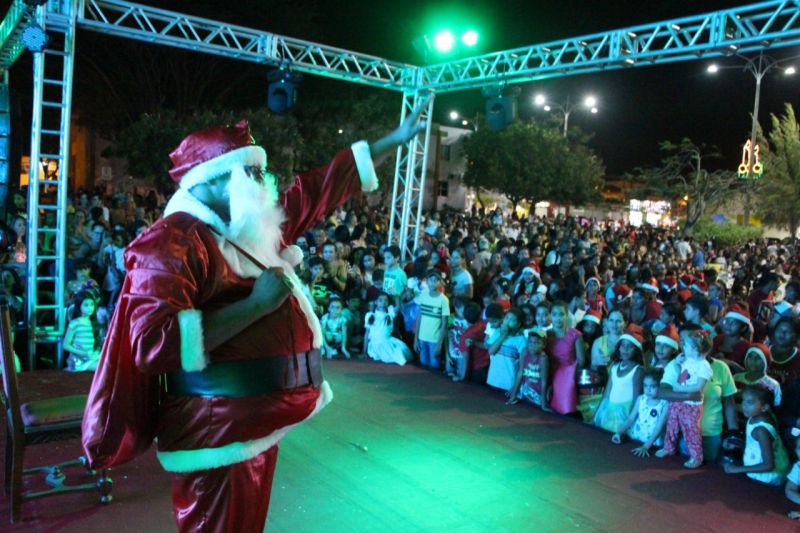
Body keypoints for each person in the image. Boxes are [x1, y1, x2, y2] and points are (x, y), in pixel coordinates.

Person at [82, 106, 428, 531]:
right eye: (249, 173)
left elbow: (317, 190)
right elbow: (155, 344)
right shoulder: (171, 242)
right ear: (210, 180)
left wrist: (388, 143)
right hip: (217, 431)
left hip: (254, 423)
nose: (262, 184)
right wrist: (256, 306)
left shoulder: (246, 226)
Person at [657, 329, 714, 469]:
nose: (683, 347)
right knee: (672, 423)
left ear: (695, 349)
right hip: (679, 400)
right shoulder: (687, 360)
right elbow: (681, 378)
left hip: (691, 404)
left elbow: (698, 387)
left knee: (691, 429)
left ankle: (696, 456)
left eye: (686, 345)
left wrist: (680, 389)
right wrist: (677, 364)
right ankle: (668, 447)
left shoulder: (704, 366)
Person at [724, 386, 790, 486]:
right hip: (763, 469)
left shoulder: (761, 430)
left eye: (750, 402)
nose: (744, 406)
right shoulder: (756, 417)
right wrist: (736, 442)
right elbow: (756, 445)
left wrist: (737, 469)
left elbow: (768, 465)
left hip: (768, 478)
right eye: (743, 401)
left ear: (764, 407)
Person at [594, 326, 644, 433]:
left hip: (625, 412)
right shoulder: (615, 367)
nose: (625, 350)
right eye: (623, 346)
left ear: (636, 350)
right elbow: (606, 394)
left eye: (630, 347)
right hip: (610, 410)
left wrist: (631, 419)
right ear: (619, 347)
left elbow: (637, 398)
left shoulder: (637, 370)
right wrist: (598, 412)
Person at [612, 368, 669, 457]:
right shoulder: (641, 399)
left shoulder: (664, 404)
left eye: (653, 386)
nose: (648, 390)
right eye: (645, 386)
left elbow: (659, 427)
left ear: (660, 386)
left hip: (652, 444)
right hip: (635, 438)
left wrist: (646, 446)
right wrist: (619, 432)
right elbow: (631, 419)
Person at [547, 301, 585, 415]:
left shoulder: (575, 334)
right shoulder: (546, 335)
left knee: (564, 410)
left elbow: (581, 361)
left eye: (561, 314)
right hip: (549, 373)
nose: (558, 318)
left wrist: (568, 375)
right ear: (550, 316)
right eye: (554, 314)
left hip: (568, 376)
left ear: (567, 315)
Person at [506, 327, 550, 410]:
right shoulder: (524, 352)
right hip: (525, 392)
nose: (533, 346)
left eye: (537, 343)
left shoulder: (543, 359)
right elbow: (520, 373)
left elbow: (544, 381)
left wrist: (543, 404)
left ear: (544, 344)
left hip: (537, 394)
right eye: (530, 342)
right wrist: (514, 394)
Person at [414, 269, 450, 369]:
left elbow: (444, 324)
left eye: (436, 280)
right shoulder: (423, 296)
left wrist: (439, 344)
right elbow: (419, 319)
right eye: (430, 280)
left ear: (440, 282)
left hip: (434, 340)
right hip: (422, 338)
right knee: (423, 365)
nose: (433, 282)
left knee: (434, 367)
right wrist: (416, 339)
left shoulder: (444, 300)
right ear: (427, 281)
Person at [486, 307, 527, 392]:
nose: (508, 321)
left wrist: (515, 387)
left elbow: (522, 366)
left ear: (518, 324)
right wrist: (502, 335)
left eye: (512, 320)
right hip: (493, 381)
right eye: (507, 318)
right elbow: (491, 351)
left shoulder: (521, 340)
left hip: (508, 385)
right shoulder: (497, 333)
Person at [364, 293, 411, 366]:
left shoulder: (390, 313)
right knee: (389, 357)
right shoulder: (370, 315)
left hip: (387, 341)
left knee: (402, 352)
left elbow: (397, 306)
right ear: (376, 302)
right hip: (375, 344)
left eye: (386, 300)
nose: (383, 302)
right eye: (380, 300)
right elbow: (366, 334)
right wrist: (364, 351)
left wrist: (396, 294)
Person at [63, 292, 102, 372]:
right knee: (103, 367)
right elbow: (65, 345)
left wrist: (96, 352)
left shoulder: (94, 322)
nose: (90, 308)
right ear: (79, 306)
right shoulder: (75, 323)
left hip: (91, 357)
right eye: (86, 305)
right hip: (78, 360)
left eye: (92, 305)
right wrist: (83, 353)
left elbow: (98, 343)